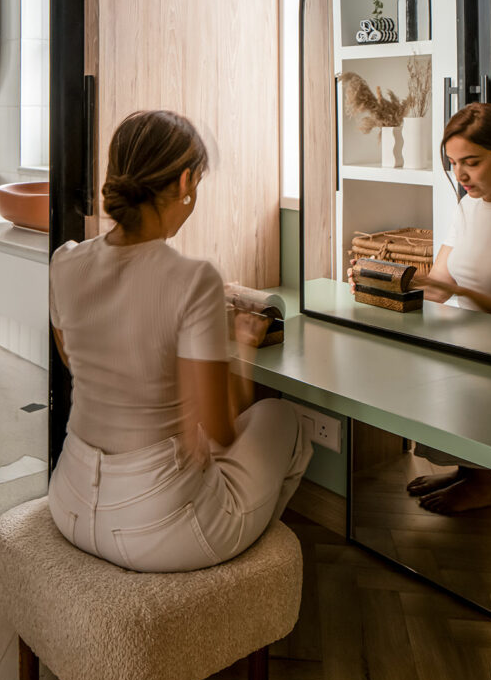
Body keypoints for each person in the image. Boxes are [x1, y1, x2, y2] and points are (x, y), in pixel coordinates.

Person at [48, 109, 311, 572]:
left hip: (67, 501)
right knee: (282, 417)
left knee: (192, 440)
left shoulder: (66, 261)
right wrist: (244, 347)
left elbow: (75, 359)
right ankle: (247, 576)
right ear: (186, 182)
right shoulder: (193, 280)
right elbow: (224, 427)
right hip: (160, 531)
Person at [348, 102, 491, 513]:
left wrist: (457, 293)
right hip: (467, 334)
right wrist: (384, 285)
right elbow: (440, 285)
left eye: (472, 162)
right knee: (419, 362)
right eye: (454, 163)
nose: (461, 175)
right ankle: (470, 470)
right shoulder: (469, 204)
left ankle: (485, 482)